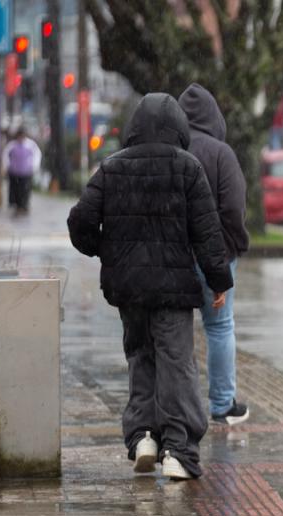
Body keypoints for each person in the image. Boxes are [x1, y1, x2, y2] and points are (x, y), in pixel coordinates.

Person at [68, 93, 233, 481]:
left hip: (128, 288)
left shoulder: (111, 168)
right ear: (179, 128)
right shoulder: (187, 168)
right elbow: (208, 234)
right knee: (176, 364)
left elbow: (79, 223)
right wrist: (219, 280)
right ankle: (179, 449)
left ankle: (143, 435)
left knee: (140, 356)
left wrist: (108, 250)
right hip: (174, 288)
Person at [178, 83, 251, 426]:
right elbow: (233, 208)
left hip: (175, 255)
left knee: (175, 331)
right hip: (216, 255)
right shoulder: (221, 153)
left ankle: (179, 405)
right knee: (219, 327)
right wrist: (235, 246)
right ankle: (222, 404)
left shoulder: (171, 148)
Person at [1, 127, 41, 214]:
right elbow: (5, 155)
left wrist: (34, 166)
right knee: (16, 190)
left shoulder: (31, 144)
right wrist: (7, 165)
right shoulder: (12, 145)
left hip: (26, 172)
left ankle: (24, 205)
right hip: (14, 172)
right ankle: (17, 205)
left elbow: (37, 155)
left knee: (25, 190)